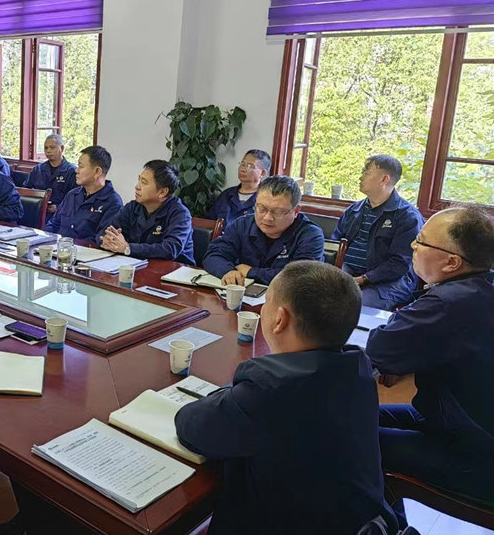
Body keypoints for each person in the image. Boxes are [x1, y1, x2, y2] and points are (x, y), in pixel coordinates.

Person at [175, 261, 397, 535]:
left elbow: (190, 426)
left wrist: (232, 393)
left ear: (280, 319)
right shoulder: (358, 367)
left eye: (266, 301)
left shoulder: (270, 388)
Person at [366, 206, 494, 519]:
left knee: (350, 438)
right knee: (357, 414)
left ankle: (384, 525)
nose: (413, 246)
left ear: (452, 262)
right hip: (451, 418)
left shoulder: (451, 303)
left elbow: (381, 348)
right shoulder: (478, 287)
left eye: (422, 241)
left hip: (475, 452)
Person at [332, 155, 424, 310]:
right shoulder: (354, 210)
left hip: (390, 283)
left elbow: (400, 263)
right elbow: (335, 244)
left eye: (366, 173)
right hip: (348, 273)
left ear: (384, 179)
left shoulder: (407, 217)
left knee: (354, 305)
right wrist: (338, 273)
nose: (360, 177)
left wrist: (363, 279)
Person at [203, 175, 324, 285]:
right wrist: (228, 272)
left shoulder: (310, 235)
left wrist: (251, 272)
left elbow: (300, 278)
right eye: (261, 208)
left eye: (278, 212)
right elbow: (214, 255)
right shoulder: (242, 224)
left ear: (296, 211)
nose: (267, 218)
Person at [100, 160, 195, 265]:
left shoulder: (180, 214)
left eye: (144, 183)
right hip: (138, 266)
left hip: (174, 270)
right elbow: (106, 231)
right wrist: (108, 239)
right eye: (139, 180)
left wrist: (128, 248)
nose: (137, 186)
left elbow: (170, 249)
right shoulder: (132, 207)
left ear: (162, 192)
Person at [44, 145, 123, 244]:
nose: (76, 171)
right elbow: (53, 224)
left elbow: (101, 241)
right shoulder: (72, 195)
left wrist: (69, 246)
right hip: (58, 248)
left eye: (81, 166)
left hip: (84, 252)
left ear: (97, 172)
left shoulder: (113, 203)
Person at [207, 149, 271, 224]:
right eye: (242, 164)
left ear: (262, 173)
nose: (243, 169)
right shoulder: (226, 195)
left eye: (250, 166)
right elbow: (210, 223)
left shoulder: (268, 199)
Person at [23, 134, 77, 215]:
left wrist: (58, 207)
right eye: (46, 148)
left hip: (61, 214)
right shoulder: (38, 169)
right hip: (37, 211)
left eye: (52, 147)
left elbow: (75, 198)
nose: (48, 151)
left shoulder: (72, 171)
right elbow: (25, 190)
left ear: (62, 148)